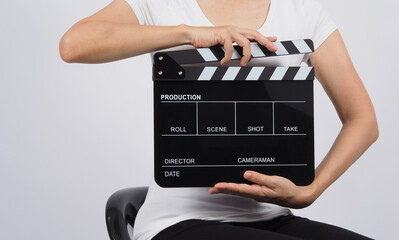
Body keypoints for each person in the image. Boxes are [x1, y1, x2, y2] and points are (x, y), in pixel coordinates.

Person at [59, 0, 379, 239]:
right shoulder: (162, 2)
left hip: (272, 218)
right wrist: (189, 34)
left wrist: (310, 190)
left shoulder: (302, 12)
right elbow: (74, 44)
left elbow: (362, 119)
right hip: (177, 221)